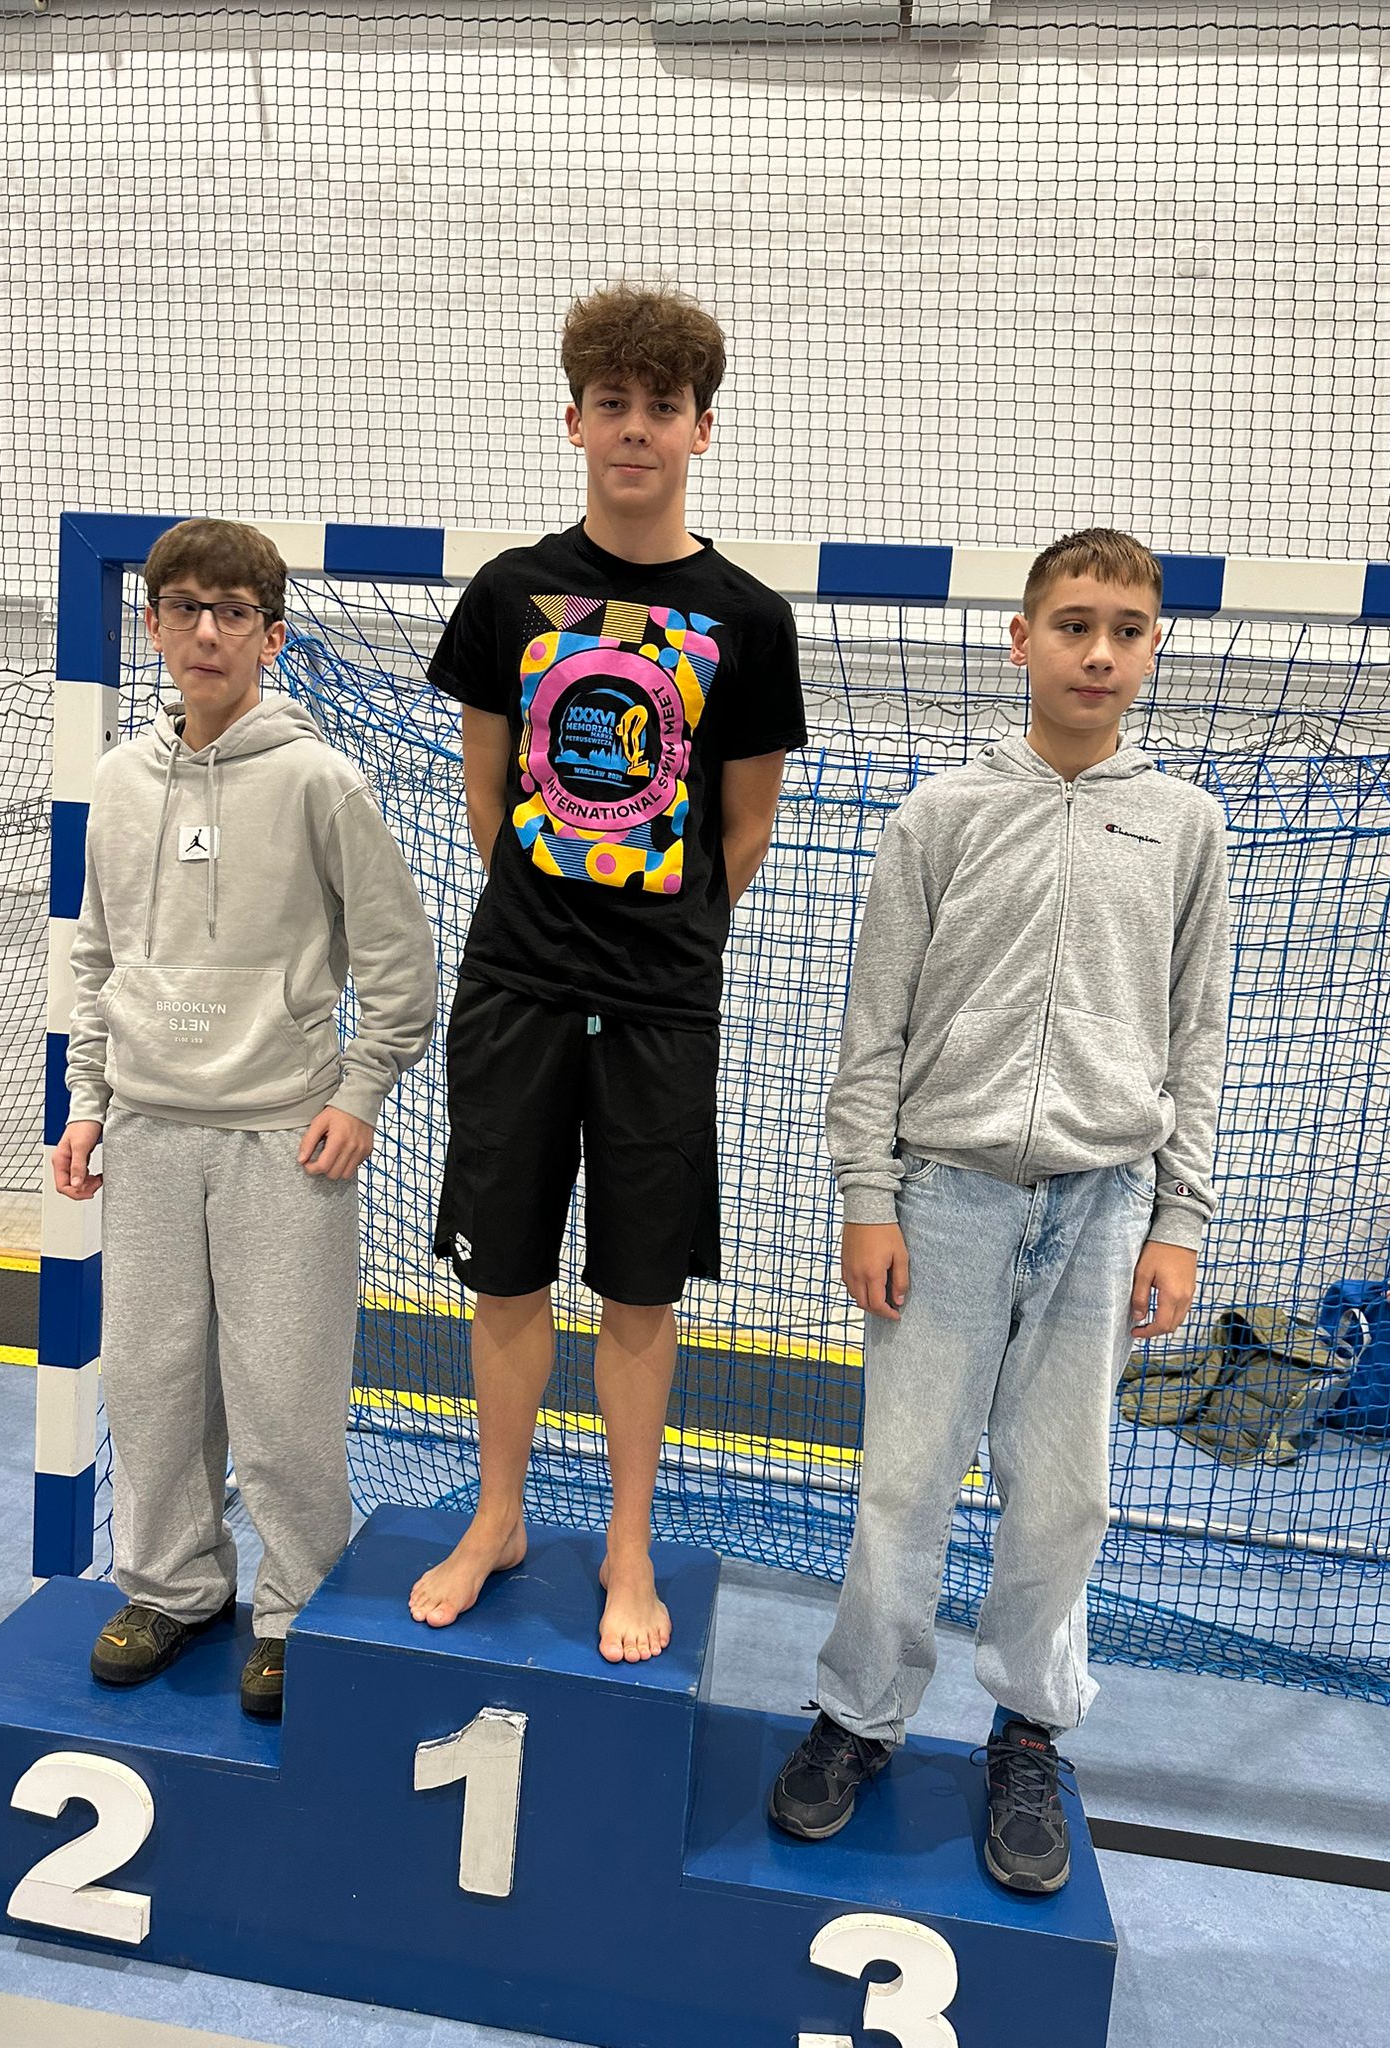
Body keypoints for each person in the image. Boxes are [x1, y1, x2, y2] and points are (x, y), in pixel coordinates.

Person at [768, 529, 1229, 1891]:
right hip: (945, 1198)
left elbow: (1197, 1035)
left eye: (1127, 630)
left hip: (1105, 1206)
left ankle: (1029, 1731)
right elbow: (875, 1027)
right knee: (904, 1481)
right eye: (1073, 624)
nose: (1100, 652)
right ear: (1020, 640)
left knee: (1065, 1494)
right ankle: (859, 1713)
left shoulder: (1186, 825)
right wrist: (869, 1194)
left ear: (1155, 648)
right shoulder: (941, 815)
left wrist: (1180, 1220)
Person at [409, 284, 808, 1663]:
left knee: (640, 1288)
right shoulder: (510, 594)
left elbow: (742, 826)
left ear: (703, 428)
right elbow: (487, 796)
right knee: (506, 1274)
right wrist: (555, 907)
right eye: (614, 404)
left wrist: (659, 930)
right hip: (516, 986)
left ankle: (627, 1543)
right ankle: (499, 1515)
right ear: (574, 420)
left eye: (664, 407)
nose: (637, 428)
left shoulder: (748, 619)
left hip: (659, 1003)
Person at [54, 517, 436, 1720]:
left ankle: (295, 1606)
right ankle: (172, 1586)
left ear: (271, 636)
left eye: (233, 612)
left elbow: (402, 963)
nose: (206, 632)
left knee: (283, 1396)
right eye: (184, 608)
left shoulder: (322, 781)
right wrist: (87, 1102)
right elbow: (98, 956)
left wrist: (358, 1094)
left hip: (283, 1140)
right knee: (152, 1381)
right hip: (149, 1135)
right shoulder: (120, 783)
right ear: (153, 624)